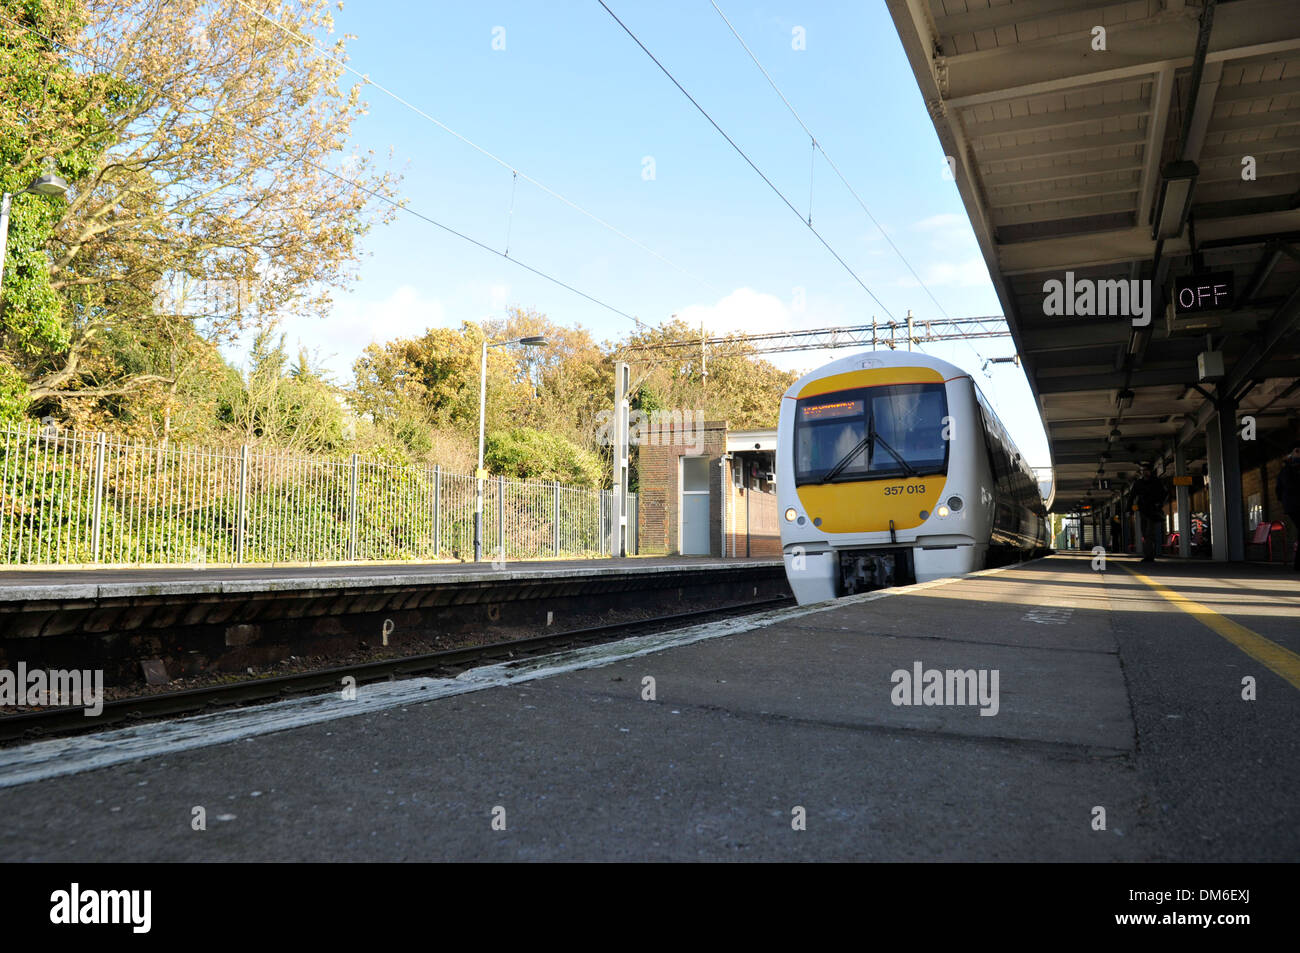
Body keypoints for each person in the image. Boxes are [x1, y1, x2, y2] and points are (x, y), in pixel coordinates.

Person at [1129, 462, 1169, 562]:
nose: (1144, 472)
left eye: (1146, 470)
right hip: (1143, 511)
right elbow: (1132, 496)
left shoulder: (1156, 482)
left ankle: (1149, 556)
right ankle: (1149, 554)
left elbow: (1164, 494)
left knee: (1149, 533)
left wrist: (1159, 504)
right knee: (1145, 533)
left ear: (1150, 471)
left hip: (1152, 511)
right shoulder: (1138, 483)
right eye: (1142, 471)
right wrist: (1129, 509)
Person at [1277, 445, 1300, 571]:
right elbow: (1286, 486)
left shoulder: (1287, 469)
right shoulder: (1288, 469)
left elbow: (1279, 490)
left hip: (1292, 504)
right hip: (1295, 504)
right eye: (1297, 451)